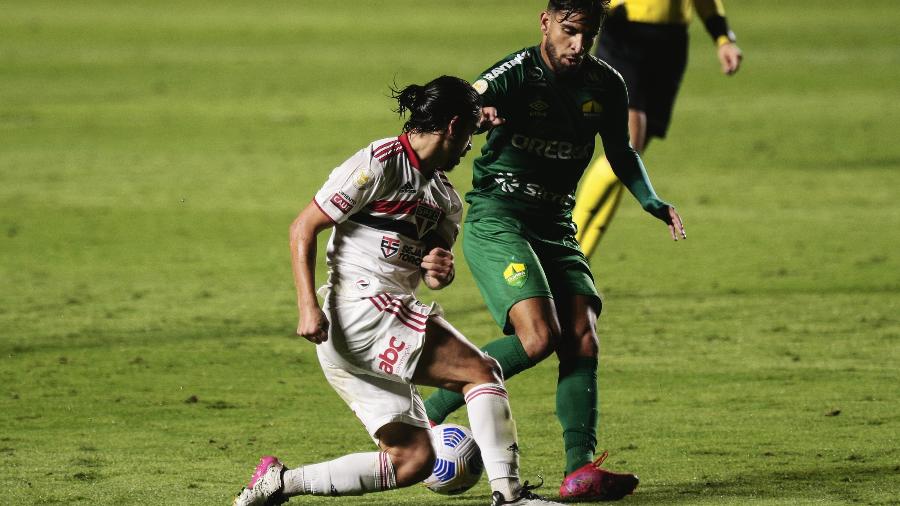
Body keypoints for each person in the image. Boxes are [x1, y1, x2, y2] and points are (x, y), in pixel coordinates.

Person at [233, 76, 563, 506]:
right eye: (469, 133)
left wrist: (439, 269)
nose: (469, 147)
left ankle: (279, 483)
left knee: (412, 461)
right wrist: (306, 305)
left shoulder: (445, 198)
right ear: (451, 126)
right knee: (482, 372)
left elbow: (434, 271)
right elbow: (303, 227)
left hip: (362, 329)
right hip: (361, 307)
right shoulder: (382, 160)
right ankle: (511, 496)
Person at [421, 0, 686, 501]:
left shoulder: (606, 84)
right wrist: (478, 115)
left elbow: (621, 151)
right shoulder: (515, 73)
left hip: (556, 225)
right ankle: (427, 414)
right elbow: (463, 105)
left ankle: (579, 469)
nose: (578, 45)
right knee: (539, 337)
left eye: (588, 34)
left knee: (582, 337)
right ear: (545, 23)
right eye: (568, 32)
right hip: (500, 217)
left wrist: (652, 200)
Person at [573, 0, 742, 256]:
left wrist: (723, 38)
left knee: (629, 162)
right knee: (628, 148)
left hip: (671, 42)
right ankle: (565, 249)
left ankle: (578, 265)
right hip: (626, 31)